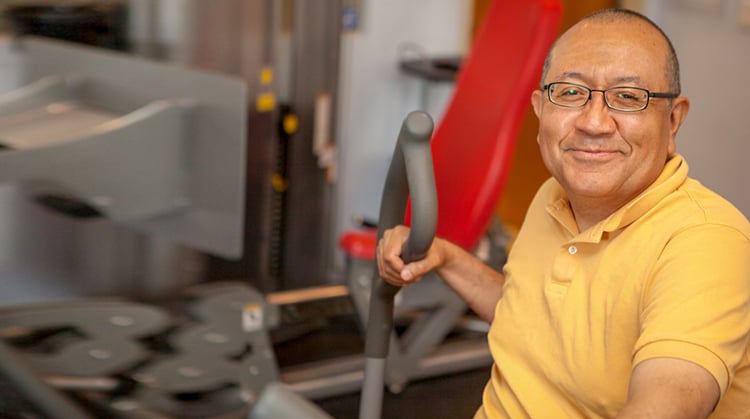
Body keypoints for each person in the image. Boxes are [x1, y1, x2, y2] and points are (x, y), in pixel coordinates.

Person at [376, 8, 750, 418]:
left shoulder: (707, 240)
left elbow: (665, 404)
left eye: (628, 97)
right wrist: (446, 258)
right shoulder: (553, 196)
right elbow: (529, 318)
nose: (593, 122)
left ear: (673, 120)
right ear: (540, 110)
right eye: (570, 93)